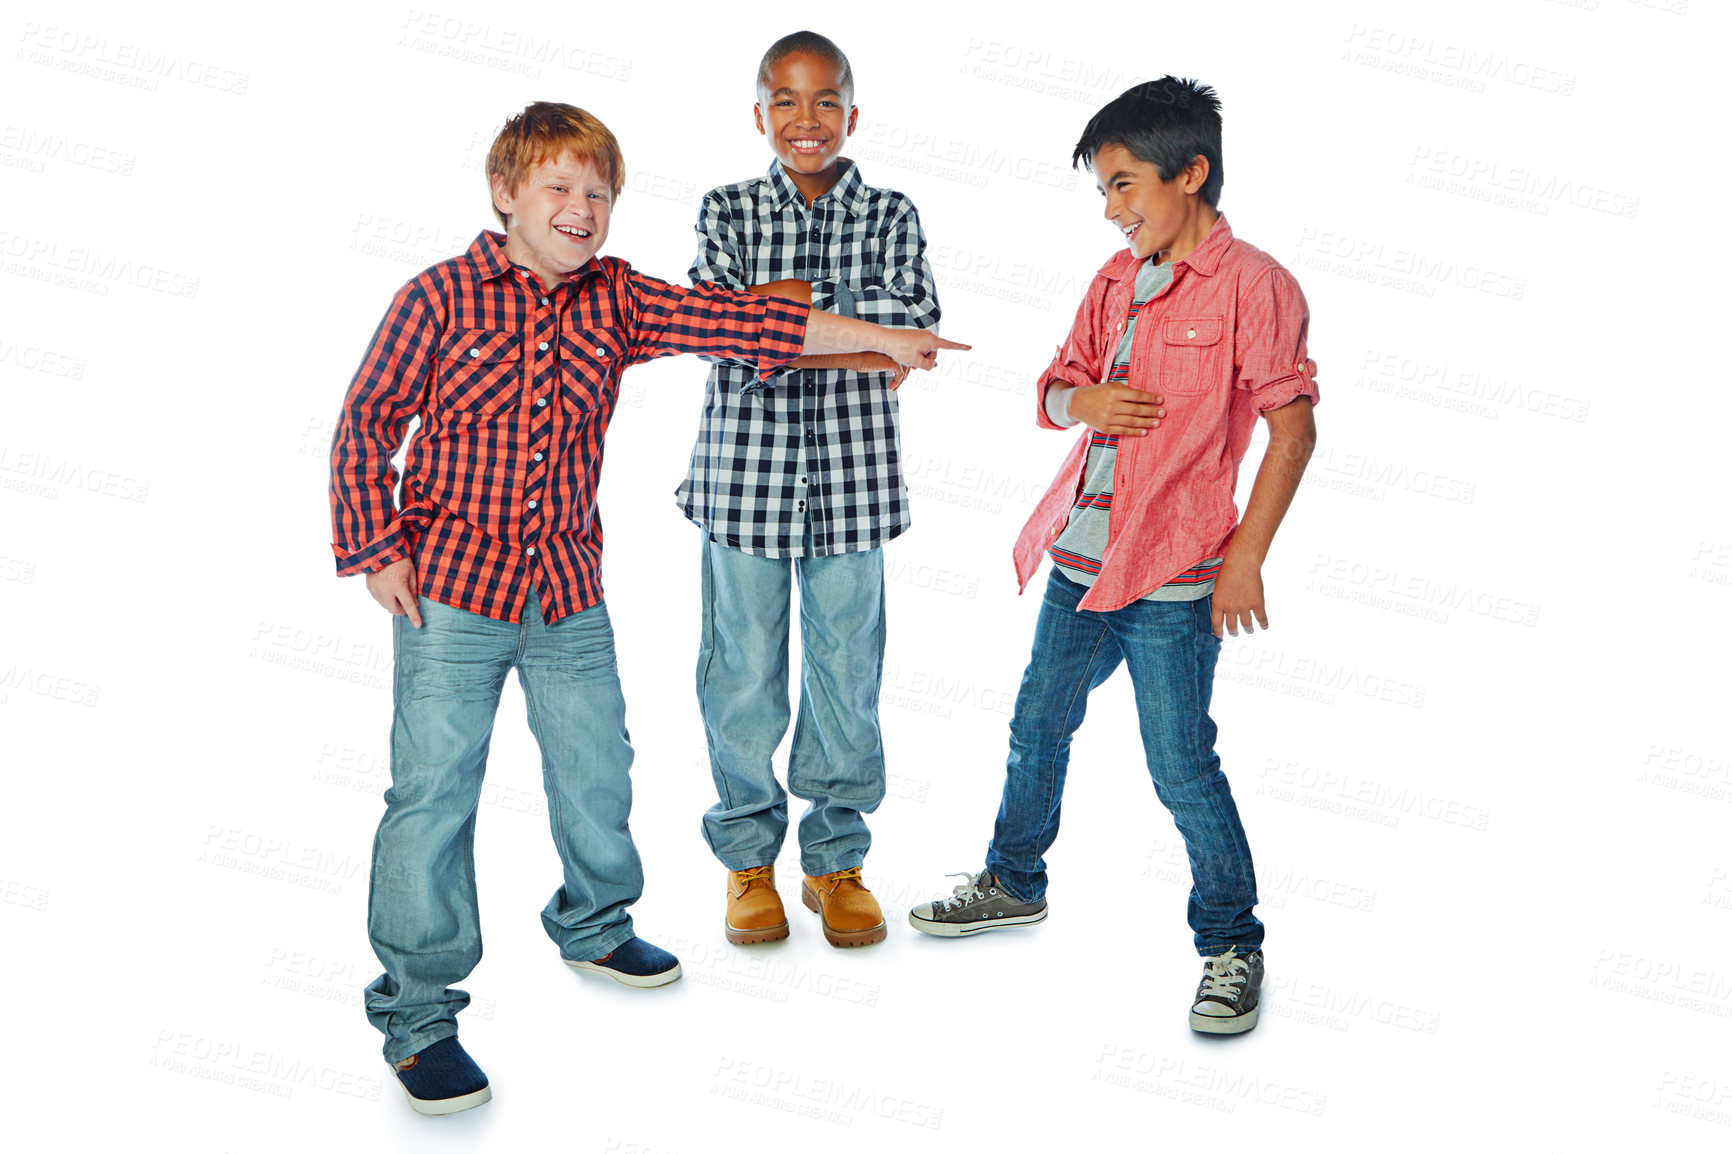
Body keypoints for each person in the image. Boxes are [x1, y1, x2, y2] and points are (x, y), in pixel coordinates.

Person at [330, 101, 966, 1114]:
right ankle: (417, 1015)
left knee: (597, 765)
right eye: (559, 187)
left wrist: (885, 338)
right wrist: (373, 551)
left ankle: (593, 922)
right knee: (433, 796)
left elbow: (747, 324)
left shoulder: (616, 300)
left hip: (566, 588)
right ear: (504, 194)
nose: (581, 208)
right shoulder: (438, 298)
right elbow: (366, 423)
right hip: (448, 591)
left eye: (599, 193)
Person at [906, 77, 1319, 1037]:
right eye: (1102, 190)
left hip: (1175, 574)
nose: (1113, 209)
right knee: (1035, 725)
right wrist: (1078, 403)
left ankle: (1231, 945)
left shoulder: (1256, 285)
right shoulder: (1111, 280)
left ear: (1193, 172)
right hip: (1081, 561)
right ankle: (1014, 881)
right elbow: (1056, 387)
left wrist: (1248, 556)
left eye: (1125, 184)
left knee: (1181, 767)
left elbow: (1291, 430)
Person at [680, 31, 942, 950]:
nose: (806, 118)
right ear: (760, 115)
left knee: (846, 679)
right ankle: (748, 861)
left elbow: (916, 325)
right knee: (741, 678)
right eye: (785, 101)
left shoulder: (894, 214)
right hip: (740, 489)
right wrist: (854, 331)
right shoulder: (727, 209)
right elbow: (715, 329)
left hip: (854, 491)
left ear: (852, 113)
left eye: (825, 100)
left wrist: (785, 308)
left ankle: (835, 862)